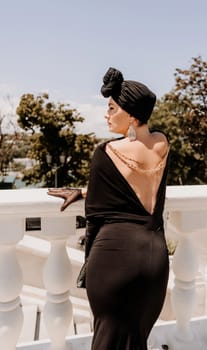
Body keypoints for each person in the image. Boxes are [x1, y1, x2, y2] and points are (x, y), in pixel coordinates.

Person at [48, 67, 170, 350]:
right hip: (155, 259)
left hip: (115, 260)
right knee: (135, 340)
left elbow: (98, 206)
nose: (106, 114)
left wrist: (80, 192)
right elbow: (135, 183)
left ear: (132, 115)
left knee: (107, 341)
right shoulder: (163, 143)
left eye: (112, 108)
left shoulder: (106, 153)